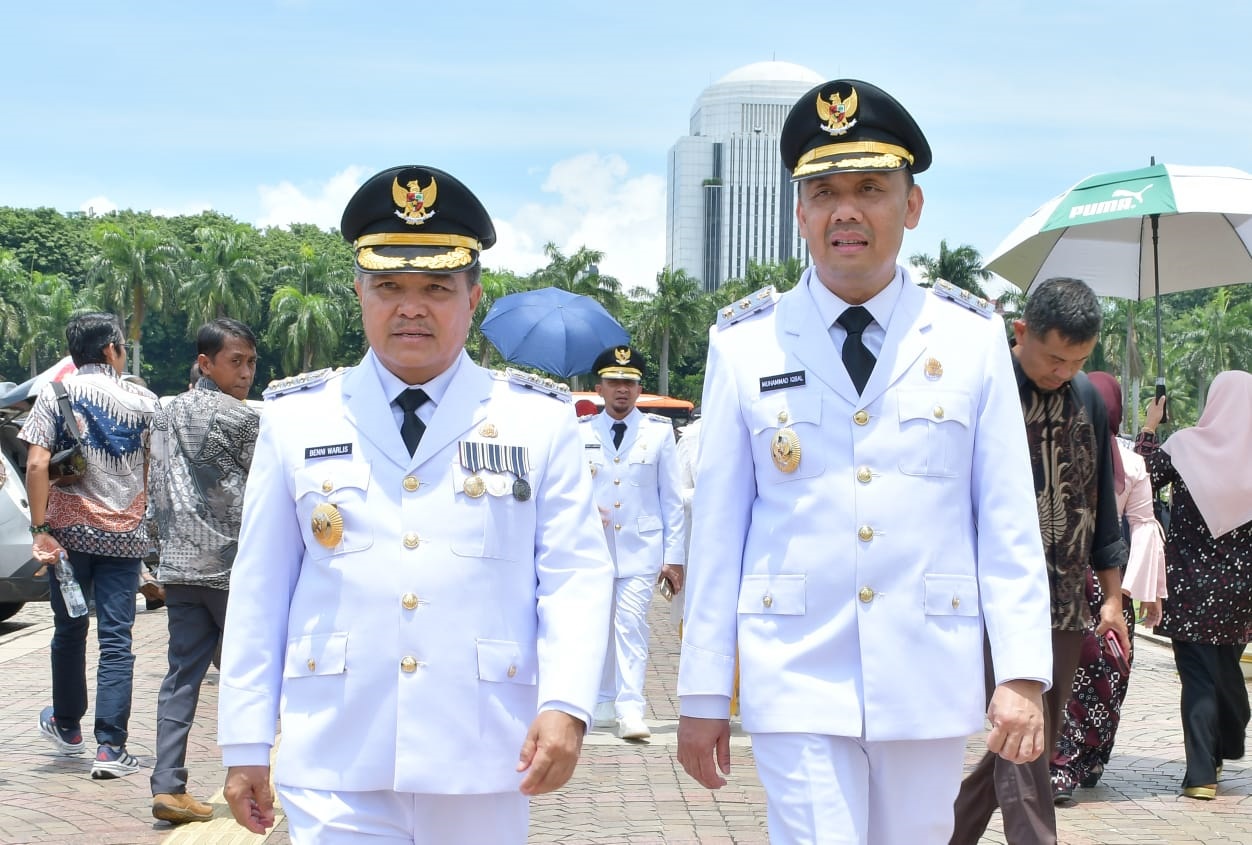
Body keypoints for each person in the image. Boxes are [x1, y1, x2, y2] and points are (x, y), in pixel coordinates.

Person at [676, 78, 1054, 845]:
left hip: (927, 666)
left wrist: (1020, 671)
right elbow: (716, 531)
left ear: (911, 206)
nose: (845, 211)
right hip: (794, 665)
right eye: (824, 192)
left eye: (870, 189)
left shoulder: (970, 337)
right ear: (800, 213)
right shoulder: (745, 344)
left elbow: (1007, 519)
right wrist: (703, 690)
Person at [217, 164, 613, 843]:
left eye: (436, 288)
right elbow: (261, 588)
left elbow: (574, 575)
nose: (411, 307)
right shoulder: (298, 417)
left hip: (481, 750)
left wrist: (567, 703)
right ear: (359, 292)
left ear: (473, 297)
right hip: (337, 747)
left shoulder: (536, 420)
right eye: (389, 287)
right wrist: (245, 741)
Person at [951, 277, 1130, 845]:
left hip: (1066, 601)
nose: (1064, 371)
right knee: (1022, 742)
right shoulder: (985, 387)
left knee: (1032, 740)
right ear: (1021, 332)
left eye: (1077, 361)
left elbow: (1102, 504)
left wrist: (1113, 598)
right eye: (1054, 358)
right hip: (993, 599)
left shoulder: (1087, 398)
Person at [22, 312, 157, 779]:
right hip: (126, 537)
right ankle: (110, 748)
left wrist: (40, 529)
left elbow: (36, 465)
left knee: (69, 628)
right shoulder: (145, 401)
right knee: (116, 639)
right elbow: (153, 468)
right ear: (111, 349)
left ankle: (67, 725)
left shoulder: (56, 393)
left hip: (69, 537)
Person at [147, 318, 260, 824]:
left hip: (179, 567)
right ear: (205, 363)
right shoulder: (244, 420)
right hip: (234, 568)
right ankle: (257, 777)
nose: (246, 373)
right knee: (252, 675)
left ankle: (168, 785)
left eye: (250, 362)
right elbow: (265, 491)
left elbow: (154, 483)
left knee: (181, 676)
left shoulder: (164, 413)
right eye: (236, 362)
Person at [1050, 371, 1166, 802]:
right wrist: (1138, 592)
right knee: (1108, 674)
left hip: (1060, 578)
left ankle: (1060, 765)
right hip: (1109, 584)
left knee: (1061, 673)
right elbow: (1144, 526)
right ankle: (1092, 758)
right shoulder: (1132, 463)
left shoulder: (1054, 447)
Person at [1136, 370, 1252, 800]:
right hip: (1240, 592)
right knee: (1224, 671)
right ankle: (1226, 740)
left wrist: (1150, 429)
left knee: (1200, 678)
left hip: (1188, 585)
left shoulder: (1184, 446)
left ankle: (1203, 771)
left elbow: (1138, 481)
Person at [581, 345, 684, 741]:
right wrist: (586, 510)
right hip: (594, 548)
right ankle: (602, 701)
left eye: (629, 382)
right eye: (613, 382)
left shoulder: (658, 433)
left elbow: (671, 500)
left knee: (629, 624)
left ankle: (630, 708)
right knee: (597, 626)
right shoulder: (581, 433)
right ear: (599, 388)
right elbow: (568, 491)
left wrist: (674, 557)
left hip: (642, 548)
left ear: (640, 389)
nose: (621, 389)